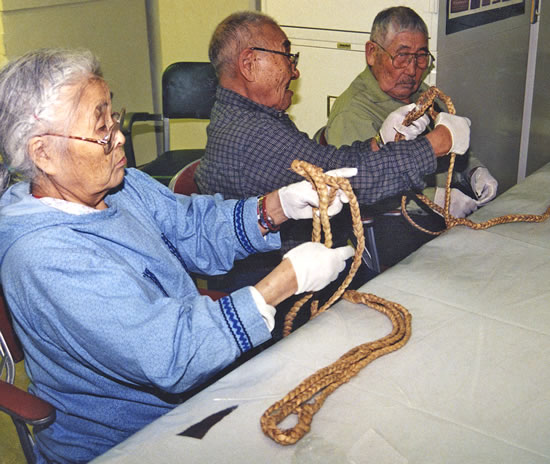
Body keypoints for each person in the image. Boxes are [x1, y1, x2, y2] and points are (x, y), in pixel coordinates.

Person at [0, 49, 356, 463]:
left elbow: (194, 228)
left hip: (188, 399)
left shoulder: (122, 184)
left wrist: (277, 206)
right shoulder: (44, 257)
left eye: (114, 116)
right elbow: (169, 355)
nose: (118, 136)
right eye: (101, 127)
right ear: (43, 153)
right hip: (128, 440)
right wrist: (283, 283)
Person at [195, 10, 471, 273]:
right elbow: (346, 181)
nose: (295, 72)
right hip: (281, 280)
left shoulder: (248, 115)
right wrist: (436, 144)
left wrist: (378, 142)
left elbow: (326, 161)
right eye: (287, 57)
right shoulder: (252, 136)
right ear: (249, 64)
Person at [321, 6, 499, 267]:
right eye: (402, 56)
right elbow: (359, 190)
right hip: (395, 229)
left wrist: (473, 170)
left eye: (421, 57)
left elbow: (449, 144)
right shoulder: (353, 112)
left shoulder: (421, 94)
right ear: (372, 53)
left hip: (437, 220)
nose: (413, 70)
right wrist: (434, 199)